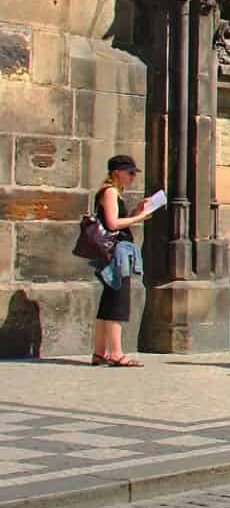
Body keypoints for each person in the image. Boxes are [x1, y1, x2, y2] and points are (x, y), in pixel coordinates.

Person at [89, 154, 155, 367]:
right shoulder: (109, 192)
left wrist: (137, 211)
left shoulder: (115, 193)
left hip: (115, 251)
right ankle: (116, 353)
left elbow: (119, 222)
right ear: (117, 172)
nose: (133, 177)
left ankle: (99, 352)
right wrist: (139, 218)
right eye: (130, 173)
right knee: (117, 299)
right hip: (115, 254)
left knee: (108, 300)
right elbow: (112, 223)